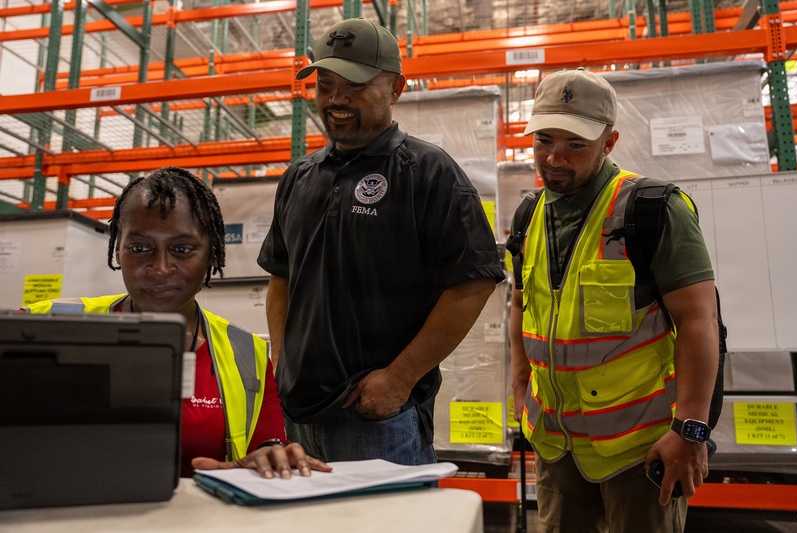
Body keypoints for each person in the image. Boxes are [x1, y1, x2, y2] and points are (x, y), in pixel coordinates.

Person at [257, 18, 505, 466]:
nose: (336, 99)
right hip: (298, 417)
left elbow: (474, 282)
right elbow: (282, 280)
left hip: (377, 422)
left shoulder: (428, 172)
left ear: (396, 88)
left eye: (355, 85)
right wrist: (281, 363)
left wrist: (400, 378)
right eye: (326, 84)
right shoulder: (298, 178)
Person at [507, 68, 719, 532]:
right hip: (556, 446)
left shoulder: (653, 210)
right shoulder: (529, 215)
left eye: (575, 144)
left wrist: (690, 430)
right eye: (544, 140)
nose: (554, 158)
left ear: (609, 141)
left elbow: (700, 320)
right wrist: (520, 385)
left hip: (640, 449)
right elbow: (522, 304)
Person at [23, 166, 331, 480]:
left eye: (182, 250)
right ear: (118, 249)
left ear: (212, 254)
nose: (159, 268)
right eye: (140, 248)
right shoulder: (48, 326)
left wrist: (269, 457)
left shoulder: (247, 356)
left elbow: (264, 446)